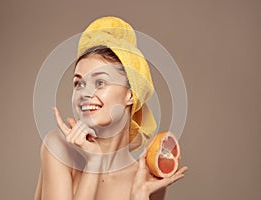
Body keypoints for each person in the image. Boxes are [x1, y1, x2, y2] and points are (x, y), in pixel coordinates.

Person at [34, 16, 188, 200]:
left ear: (131, 95)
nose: (84, 93)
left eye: (100, 82)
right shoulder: (59, 148)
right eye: (79, 83)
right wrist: (94, 163)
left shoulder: (145, 179)